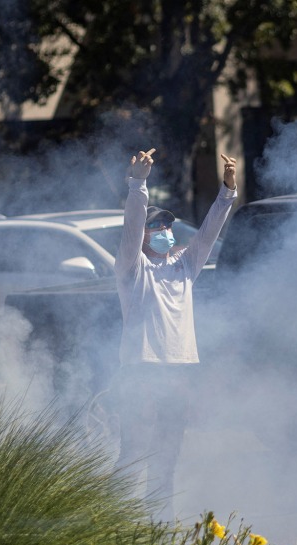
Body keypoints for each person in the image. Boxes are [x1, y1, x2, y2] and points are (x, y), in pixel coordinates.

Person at [113, 148, 237, 521]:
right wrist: (138, 184)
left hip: (178, 372)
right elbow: (132, 228)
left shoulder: (184, 267)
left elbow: (208, 232)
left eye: (168, 227)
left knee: (167, 457)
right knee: (134, 453)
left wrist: (227, 191)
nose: (165, 233)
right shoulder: (132, 269)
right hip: (141, 371)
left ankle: (160, 525)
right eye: (157, 228)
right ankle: (111, 521)